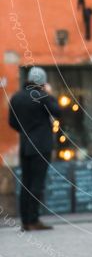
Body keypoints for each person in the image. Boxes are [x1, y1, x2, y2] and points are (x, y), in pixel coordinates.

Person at [8, 66, 62, 231]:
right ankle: (33, 220)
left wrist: (25, 132)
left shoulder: (16, 97)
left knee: (26, 183)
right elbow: (58, 111)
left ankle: (25, 221)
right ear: (42, 82)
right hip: (41, 146)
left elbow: (12, 122)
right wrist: (50, 93)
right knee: (37, 183)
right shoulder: (42, 96)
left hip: (25, 146)